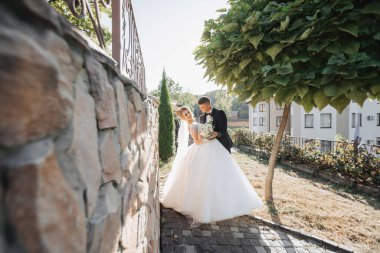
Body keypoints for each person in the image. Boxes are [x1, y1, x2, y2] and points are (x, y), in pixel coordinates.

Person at [160, 105, 262, 227]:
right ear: (183, 117)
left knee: (219, 173)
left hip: (211, 147)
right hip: (202, 149)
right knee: (204, 176)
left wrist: (209, 135)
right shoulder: (191, 125)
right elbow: (197, 141)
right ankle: (204, 206)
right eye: (185, 114)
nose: (188, 115)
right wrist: (207, 138)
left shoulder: (196, 121)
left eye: (188, 112)